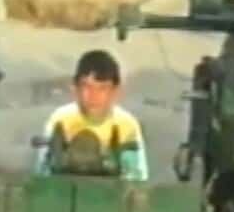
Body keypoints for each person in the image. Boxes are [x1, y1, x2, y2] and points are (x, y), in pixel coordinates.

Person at [33, 50, 149, 181]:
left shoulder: (126, 125)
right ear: (75, 88)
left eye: (102, 88)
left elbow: (136, 178)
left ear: (116, 91)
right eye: (87, 86)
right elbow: (42, 174)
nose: (94, 95)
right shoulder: (60, 119)